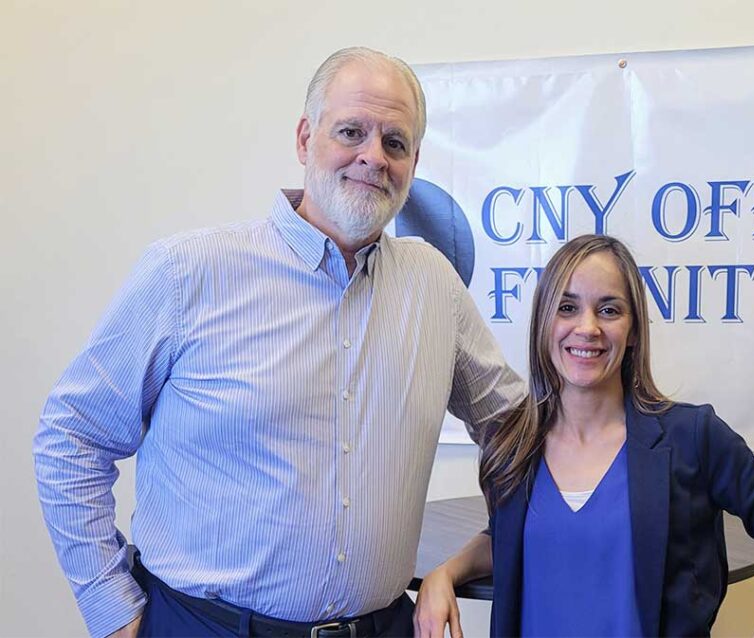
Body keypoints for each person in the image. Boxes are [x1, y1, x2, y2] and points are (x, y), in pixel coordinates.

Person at [33, 47, 523, 638]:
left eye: (395, 143)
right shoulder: (188, 272)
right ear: (304, 138)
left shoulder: (433, 285)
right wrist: (114, 612)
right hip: (204, 627)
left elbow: (518, 430)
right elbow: (71, 437)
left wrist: (457, 566)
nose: (373, 156)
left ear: (414, 162)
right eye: (351, 132)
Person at [413, 234, 754, 638]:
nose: (588, 328)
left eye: (609, 310)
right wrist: (445, 573)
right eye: (567, 307)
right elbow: (513, 537)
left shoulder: (693, 438)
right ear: (543, 322)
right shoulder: (513, 444)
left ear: (633, 331)